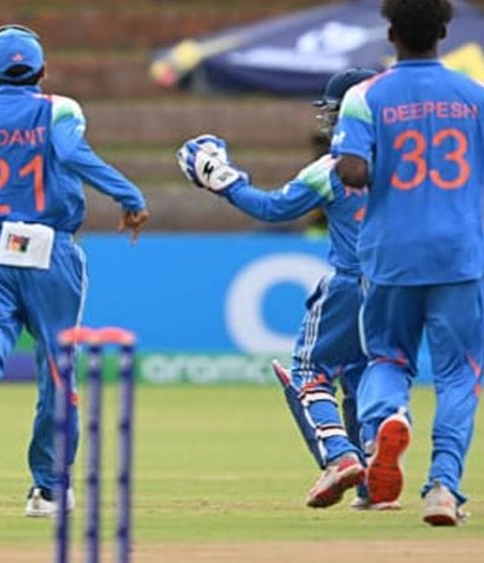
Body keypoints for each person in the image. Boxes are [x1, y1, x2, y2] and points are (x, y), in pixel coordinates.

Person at [0, 24, 150, 517]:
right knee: (57, 369)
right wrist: (128, 195)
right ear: (42, 71)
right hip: (50, 247)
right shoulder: (58, 108)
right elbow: (69, 152)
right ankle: (48, 489)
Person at [333, 0, 484, 526]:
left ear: (391, 34)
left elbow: (351, 171)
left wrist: (386, 162)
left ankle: (387, 422)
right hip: (460, 256)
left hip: (390, 255)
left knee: (386, 359)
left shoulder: (364, 96)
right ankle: (443, 487)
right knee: (459, 375)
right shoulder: (479, 94)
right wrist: (473, 162)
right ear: (444, 32)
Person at [177, 68, 381, 510]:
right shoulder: (414, 169)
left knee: (309, 370)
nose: (329, 122)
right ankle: (374, 483)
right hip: (400, 289)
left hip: (351, 283)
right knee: (368, 376)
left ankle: (340, 455)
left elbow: (273, 209)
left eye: (335, 113)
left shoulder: (333, 168)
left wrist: (223, 180)